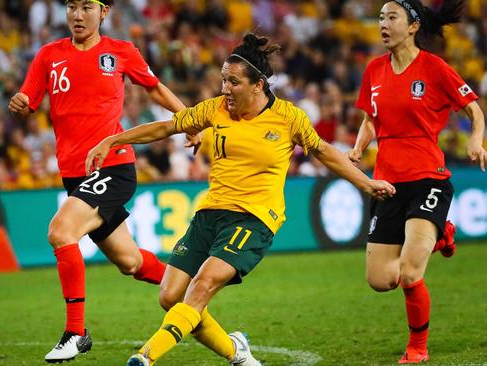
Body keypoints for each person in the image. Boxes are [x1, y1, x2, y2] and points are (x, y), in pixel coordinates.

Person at [86, 34, 396, 366]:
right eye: (223, 80)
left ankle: (146, 357)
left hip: (254, 218)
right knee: (170, 296)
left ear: (258, 85)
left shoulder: (289, 118)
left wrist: (366, 184)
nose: (225, 88)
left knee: (202, 284)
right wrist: (113, 140)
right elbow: (166, 127)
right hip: (210, 214)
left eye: (233, 81)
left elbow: (325, 153)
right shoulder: (214, 109)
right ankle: (238, 353)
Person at [8, 0, 196, 363]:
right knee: (130, 262)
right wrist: (18, 104)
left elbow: (154, 88)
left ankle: (75, 333)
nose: (78, 15)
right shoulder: (48, 55)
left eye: (87, 7)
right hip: (75, 175)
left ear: (104, 12)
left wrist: (188, 120)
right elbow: (26, 102)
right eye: (72, 7)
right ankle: (193, 292)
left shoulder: (120, 52)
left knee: (61, 232)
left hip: (113, 165)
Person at [347, 0, 486, 363]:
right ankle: (443, 234)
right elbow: (369, 120)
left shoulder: (434, 68)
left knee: (409, 273)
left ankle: (417, 348)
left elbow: (473, 108)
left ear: (412, 26)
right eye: (380, 17)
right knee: (381, 280)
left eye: (391, 17)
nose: (383, 24)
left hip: (428, 179)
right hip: (386, 183)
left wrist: (476, 139)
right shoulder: (374, 70)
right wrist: (358, 148)